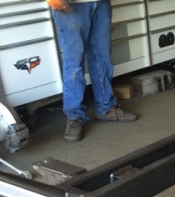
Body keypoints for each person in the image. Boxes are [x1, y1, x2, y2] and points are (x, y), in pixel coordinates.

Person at [47, 0, 137, 142]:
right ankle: (75, 116)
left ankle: (105, 108)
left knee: (102, 57)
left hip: (101, 3)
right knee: (74, 62)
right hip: (72, 5)